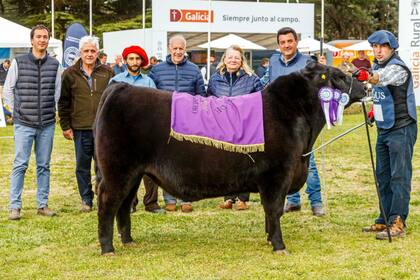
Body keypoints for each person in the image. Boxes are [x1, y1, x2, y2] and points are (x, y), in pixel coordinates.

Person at [261, 27, 325, 217]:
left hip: (301, 123)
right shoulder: (273, 61)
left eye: (290, 41)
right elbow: (266, 83)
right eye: (283, 42)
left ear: (296, 42)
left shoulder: (308, 63)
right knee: (285, 164)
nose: (286, 45)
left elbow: (317, 89)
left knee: (308, 162)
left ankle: (316, 202)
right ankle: (293, 200)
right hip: (278, 124)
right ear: (278, 44)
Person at [361, 30, 417, 239]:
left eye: (382, 46)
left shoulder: (397, 68)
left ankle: (397, 221)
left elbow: (381, 79)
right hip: (385, 129)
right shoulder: (377, 65)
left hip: (402, 128)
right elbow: (381, 95)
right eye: (374, 47)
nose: (378, 50)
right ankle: (384, 219)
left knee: (399, 176)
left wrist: (365, 75)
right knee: (383, 176)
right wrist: (374, 111)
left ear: (392, 48)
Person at [3, 25, 61, 220]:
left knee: (44, 165)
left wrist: (53, 112)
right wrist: (15, 112)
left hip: (46, 124)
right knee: (20, 164)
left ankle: (42, 205)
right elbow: (8, 91)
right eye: (39, 37)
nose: (42, 40)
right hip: (23, 124)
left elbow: (57, 92)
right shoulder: (18, 62)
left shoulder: (55, 64)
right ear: (32, 40)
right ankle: (15, 206)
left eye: (45, 37)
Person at [149, 34, 206, 213]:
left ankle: (186, 198)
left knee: (187, 160)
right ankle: (169, 198)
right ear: (169, 48)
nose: (178, 51)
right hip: (163, 121)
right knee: (166, 161)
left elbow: (201, 96)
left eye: (181, 48)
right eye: (175, 48)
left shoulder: (194, 70)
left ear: (185, 49)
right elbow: (151, 94)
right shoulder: (156, 70)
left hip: (187, 121)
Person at [58, 36, 114, 212]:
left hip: (103, 128)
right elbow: (63, 102)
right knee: (82, 165)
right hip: (80, 128)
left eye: (92, 51)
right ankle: (86, 199)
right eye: (86, 51)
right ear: (80, 53)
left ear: (97, 52)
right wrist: (65, 126)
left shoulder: (108, 72)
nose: (89, 54)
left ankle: (102, 197)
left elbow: (115, 100)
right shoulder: (69, 74)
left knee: (103, 166)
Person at [109, 45, 164, 214]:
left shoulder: (148, 82)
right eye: (131, 59)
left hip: (146, 131)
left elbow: (156, 106)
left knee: (151, 169)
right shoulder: (116, 80)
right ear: (125, 61)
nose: (134, 62)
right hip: (123, 132)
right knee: (128, 169)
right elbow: (109, 107)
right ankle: (130, 202)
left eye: (137, 59)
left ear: (142, 61)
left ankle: (151, 203)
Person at [207, 45, 263, 211]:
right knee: (225, 162)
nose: (233, 60)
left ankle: (242, 198)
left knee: (244, 162)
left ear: (241, 61)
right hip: (222, 127)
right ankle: (228, 197)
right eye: (230, 57)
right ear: (224, 59)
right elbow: (208, 100)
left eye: (236, 58)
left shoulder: (252, 79)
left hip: (244, 127)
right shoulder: (215, 79)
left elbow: (259, 102)